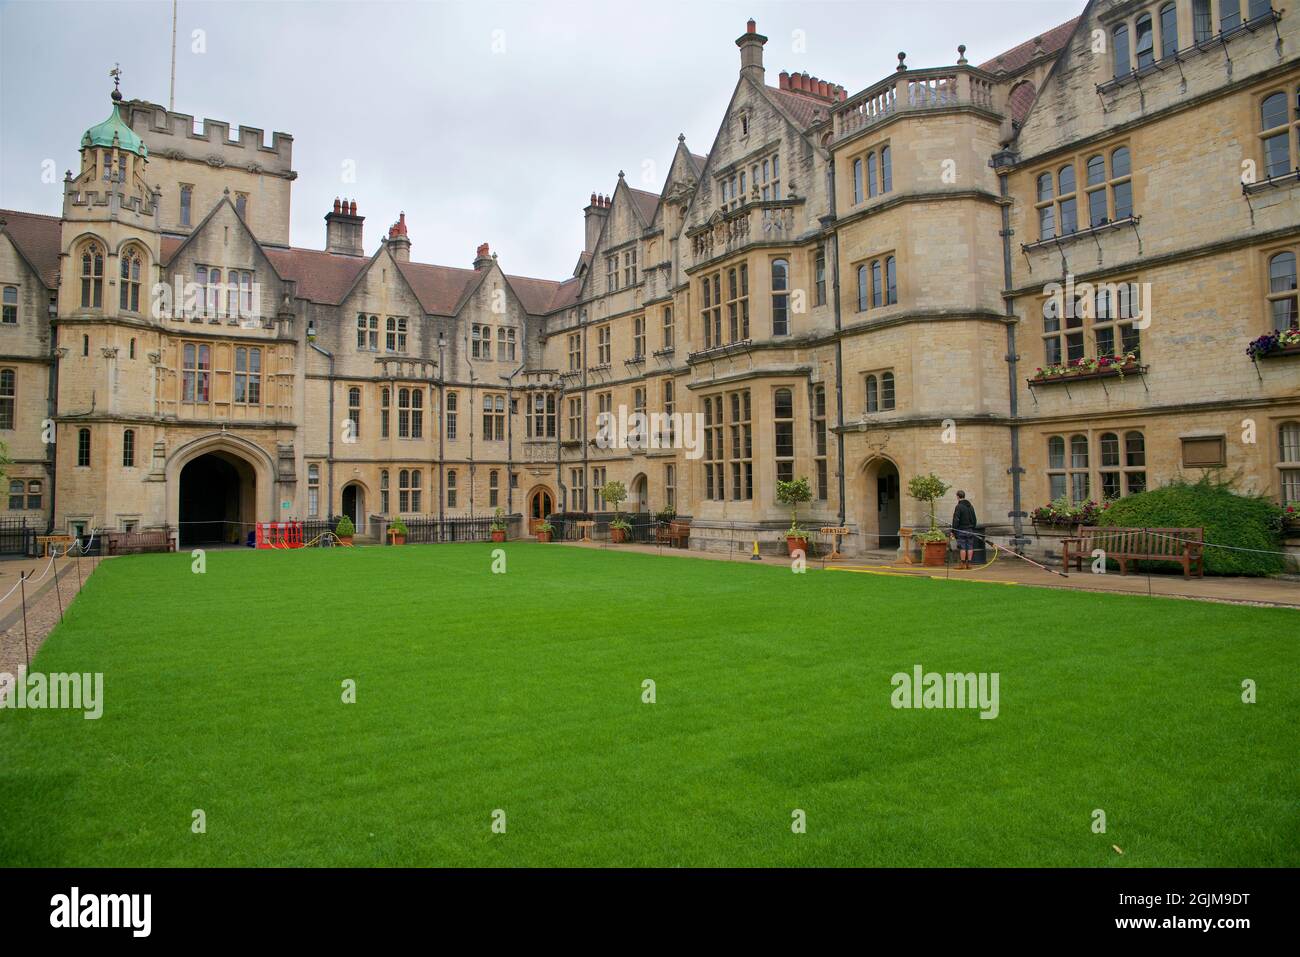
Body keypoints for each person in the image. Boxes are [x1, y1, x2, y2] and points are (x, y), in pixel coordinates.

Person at [951, 490, 978, 570]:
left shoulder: (958, 507)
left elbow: (956, 520)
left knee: (962, 547)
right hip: (970, 529)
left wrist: (953, 531)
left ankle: (962, 564)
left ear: (958, 496)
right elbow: (974, 519)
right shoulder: (971, 506)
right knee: (970, 547)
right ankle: (969, 564)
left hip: (961, 530)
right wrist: (972, 527)